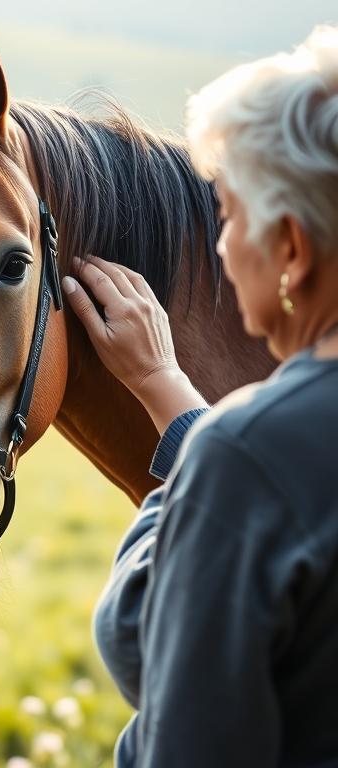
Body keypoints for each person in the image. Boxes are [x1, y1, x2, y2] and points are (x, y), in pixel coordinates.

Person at [58, 26, 338, 767]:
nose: (220, 246)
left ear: (292, 247)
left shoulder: (248, 461)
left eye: (231, 217)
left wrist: (199, 439)